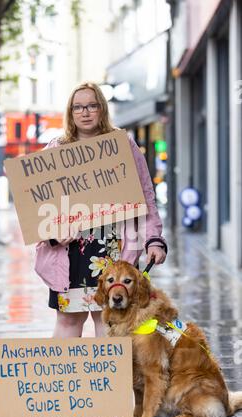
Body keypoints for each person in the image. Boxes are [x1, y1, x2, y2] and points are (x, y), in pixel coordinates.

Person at [35, 82, 167, 338]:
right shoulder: (56, 148)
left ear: (102, 109)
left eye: (92, 106)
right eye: (78, 107)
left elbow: (146, 196)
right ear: (70, 112)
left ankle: (107, 380)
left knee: (109, 322)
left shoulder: (123, 145)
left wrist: (154, 239)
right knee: (68, 321)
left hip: (114, 247)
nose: (85, 112)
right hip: (69, 250)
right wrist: (52, 233)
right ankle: (64, 379)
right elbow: (39, 204)